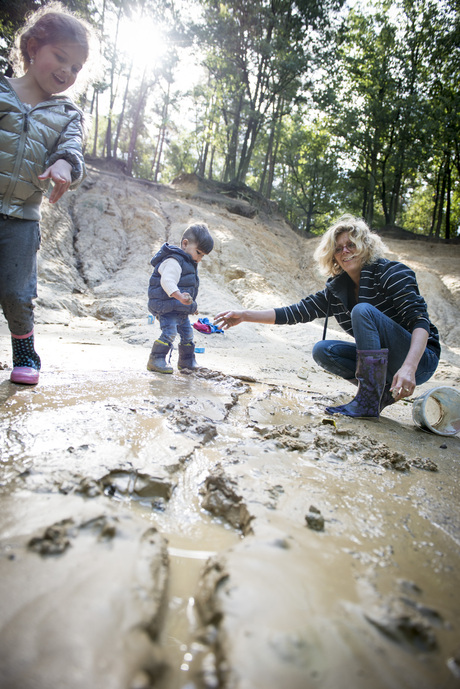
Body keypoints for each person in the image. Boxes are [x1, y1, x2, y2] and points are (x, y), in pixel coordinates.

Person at [214, 214, 440, 419]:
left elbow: (419, 322)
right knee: (323, 350)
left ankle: (368, 399)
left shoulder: (391, 272)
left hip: (419, 358)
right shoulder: (337, 290)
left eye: (351, 245)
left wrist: (409, 367)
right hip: (387, 362)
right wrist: (244, 315)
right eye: (338, 248)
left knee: (362, 310)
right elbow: (294, 312)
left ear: (365, 247)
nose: (345, 252)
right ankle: (378, 396)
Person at [0, 2, 92, 385]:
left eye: (76, 67)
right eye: (61, 57)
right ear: (33, 47)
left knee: (18, 292)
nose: (67, 72)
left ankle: (25, 351)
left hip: (23, 216)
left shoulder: (68, 114)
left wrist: (64, 166)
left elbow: (72, 148)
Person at [147, 223, 214, 373]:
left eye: (203, 255)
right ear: (185, 244)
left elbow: (188, 290)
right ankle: (156, 359)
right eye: (199, 253)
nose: (200, 258)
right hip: (166, 307)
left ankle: (187, 361)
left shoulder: (189, 263)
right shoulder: (174, 260)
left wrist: (192, 306)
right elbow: (167, 281)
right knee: (169, 332)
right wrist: (179, 297)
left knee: (188, 335)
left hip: (179, 309)